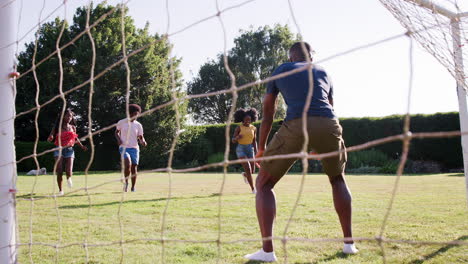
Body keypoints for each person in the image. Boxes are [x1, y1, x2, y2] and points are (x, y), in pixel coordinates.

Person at [244, 42, 358, 262]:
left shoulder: (281, 70)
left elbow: (268, 114)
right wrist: (317, 143)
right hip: (329, 124)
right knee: (337, 179)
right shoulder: (324, 72)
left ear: (290, 57)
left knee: (264, 184)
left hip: (296, 124)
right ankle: (349, 245)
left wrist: (261, 148)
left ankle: (267, 252)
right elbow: (328, 108)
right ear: (311, 57)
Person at [47, 109, 87, 196]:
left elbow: (75, 138)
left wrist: (81, 146)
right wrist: (51, 137)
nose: (69, 117)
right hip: (59, 149)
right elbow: (51, 135)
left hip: (70, 150)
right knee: (59, 170)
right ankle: (61, 191)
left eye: (70, 116)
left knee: (69, 171)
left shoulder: (73, 127)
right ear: (63, 116)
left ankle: (69, 178)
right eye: (67, 116)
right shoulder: (57, 126)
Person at [115, 104, 147, 192]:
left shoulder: (138, 125)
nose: (136, 116)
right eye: (134, 114)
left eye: (137, 114)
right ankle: (126, 184)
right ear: (129, 113)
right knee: (127, 163)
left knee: (134, 167)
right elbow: (116, 132)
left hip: (134, 148)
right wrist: (118, 140)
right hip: (123, 147)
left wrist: (143, 141)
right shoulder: (121, 122)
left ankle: (133, 187)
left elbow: (140, 137)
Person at [232, 108, 258, 193]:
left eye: (249, 120)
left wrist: (257, 152)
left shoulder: (254, 128)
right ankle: (253, 189)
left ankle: (245, 175)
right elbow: (233, 140)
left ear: (252, 119)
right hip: (241, 149)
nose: (248, 121)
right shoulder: (239, 128)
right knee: (248, 168)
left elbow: (254, 142)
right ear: (242, 119)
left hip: (250, 149)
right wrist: (237, 138)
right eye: (246, 120)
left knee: (252, 171)